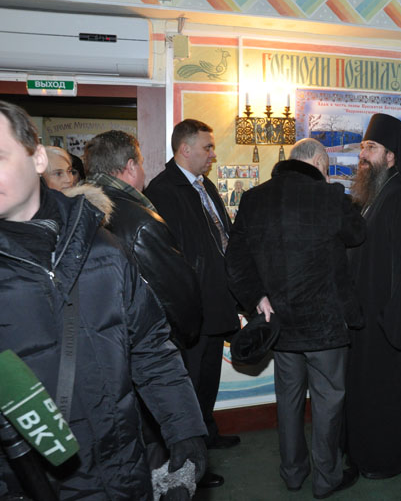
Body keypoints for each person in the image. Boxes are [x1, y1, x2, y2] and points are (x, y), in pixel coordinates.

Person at [0, 101, 207, 499]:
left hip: (124, 471)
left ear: (37, 157)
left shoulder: (102, 246)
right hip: (29, 485)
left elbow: (150, 347)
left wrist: (184, 430)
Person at [226, 138, 364, 499]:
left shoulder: (254, 198)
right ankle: (326, 478)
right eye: (327, 167)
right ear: (317, 162)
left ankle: (292, 473)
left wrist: (256, 298)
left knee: (288, 400)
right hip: (325, 325)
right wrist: (338, 194)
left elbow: (235, 259)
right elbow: (357, 234)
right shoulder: (330, 196)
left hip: (280, 322)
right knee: (328, 401)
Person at [145, 119, 241, 489]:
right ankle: (192, 461)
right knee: (189, 386)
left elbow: (221, 237)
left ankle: (209, 434)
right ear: (185, 149)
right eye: (207, 147)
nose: (213, 154)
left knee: (208, 380)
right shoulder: (163, 190)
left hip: (215, 303)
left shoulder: (205, 185)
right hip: (191, 309)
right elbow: (168, 258)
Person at [345, 113, 401, 479]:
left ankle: (388, 460)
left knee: (386, 394)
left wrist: (393, 323)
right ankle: (369, 453)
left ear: (392, 155)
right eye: (363, 146)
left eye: (371, 147)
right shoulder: (379, 193)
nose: (363, 154)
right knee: (369, 392)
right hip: (369, 318)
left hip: (388, 323)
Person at [84, 130, 203, 352]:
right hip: (140, 347)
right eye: (141, 164)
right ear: (130, 166)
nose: (143, 171)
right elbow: (176, 296)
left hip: (92, 342)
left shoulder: (73, 209)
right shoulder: (141, 223)